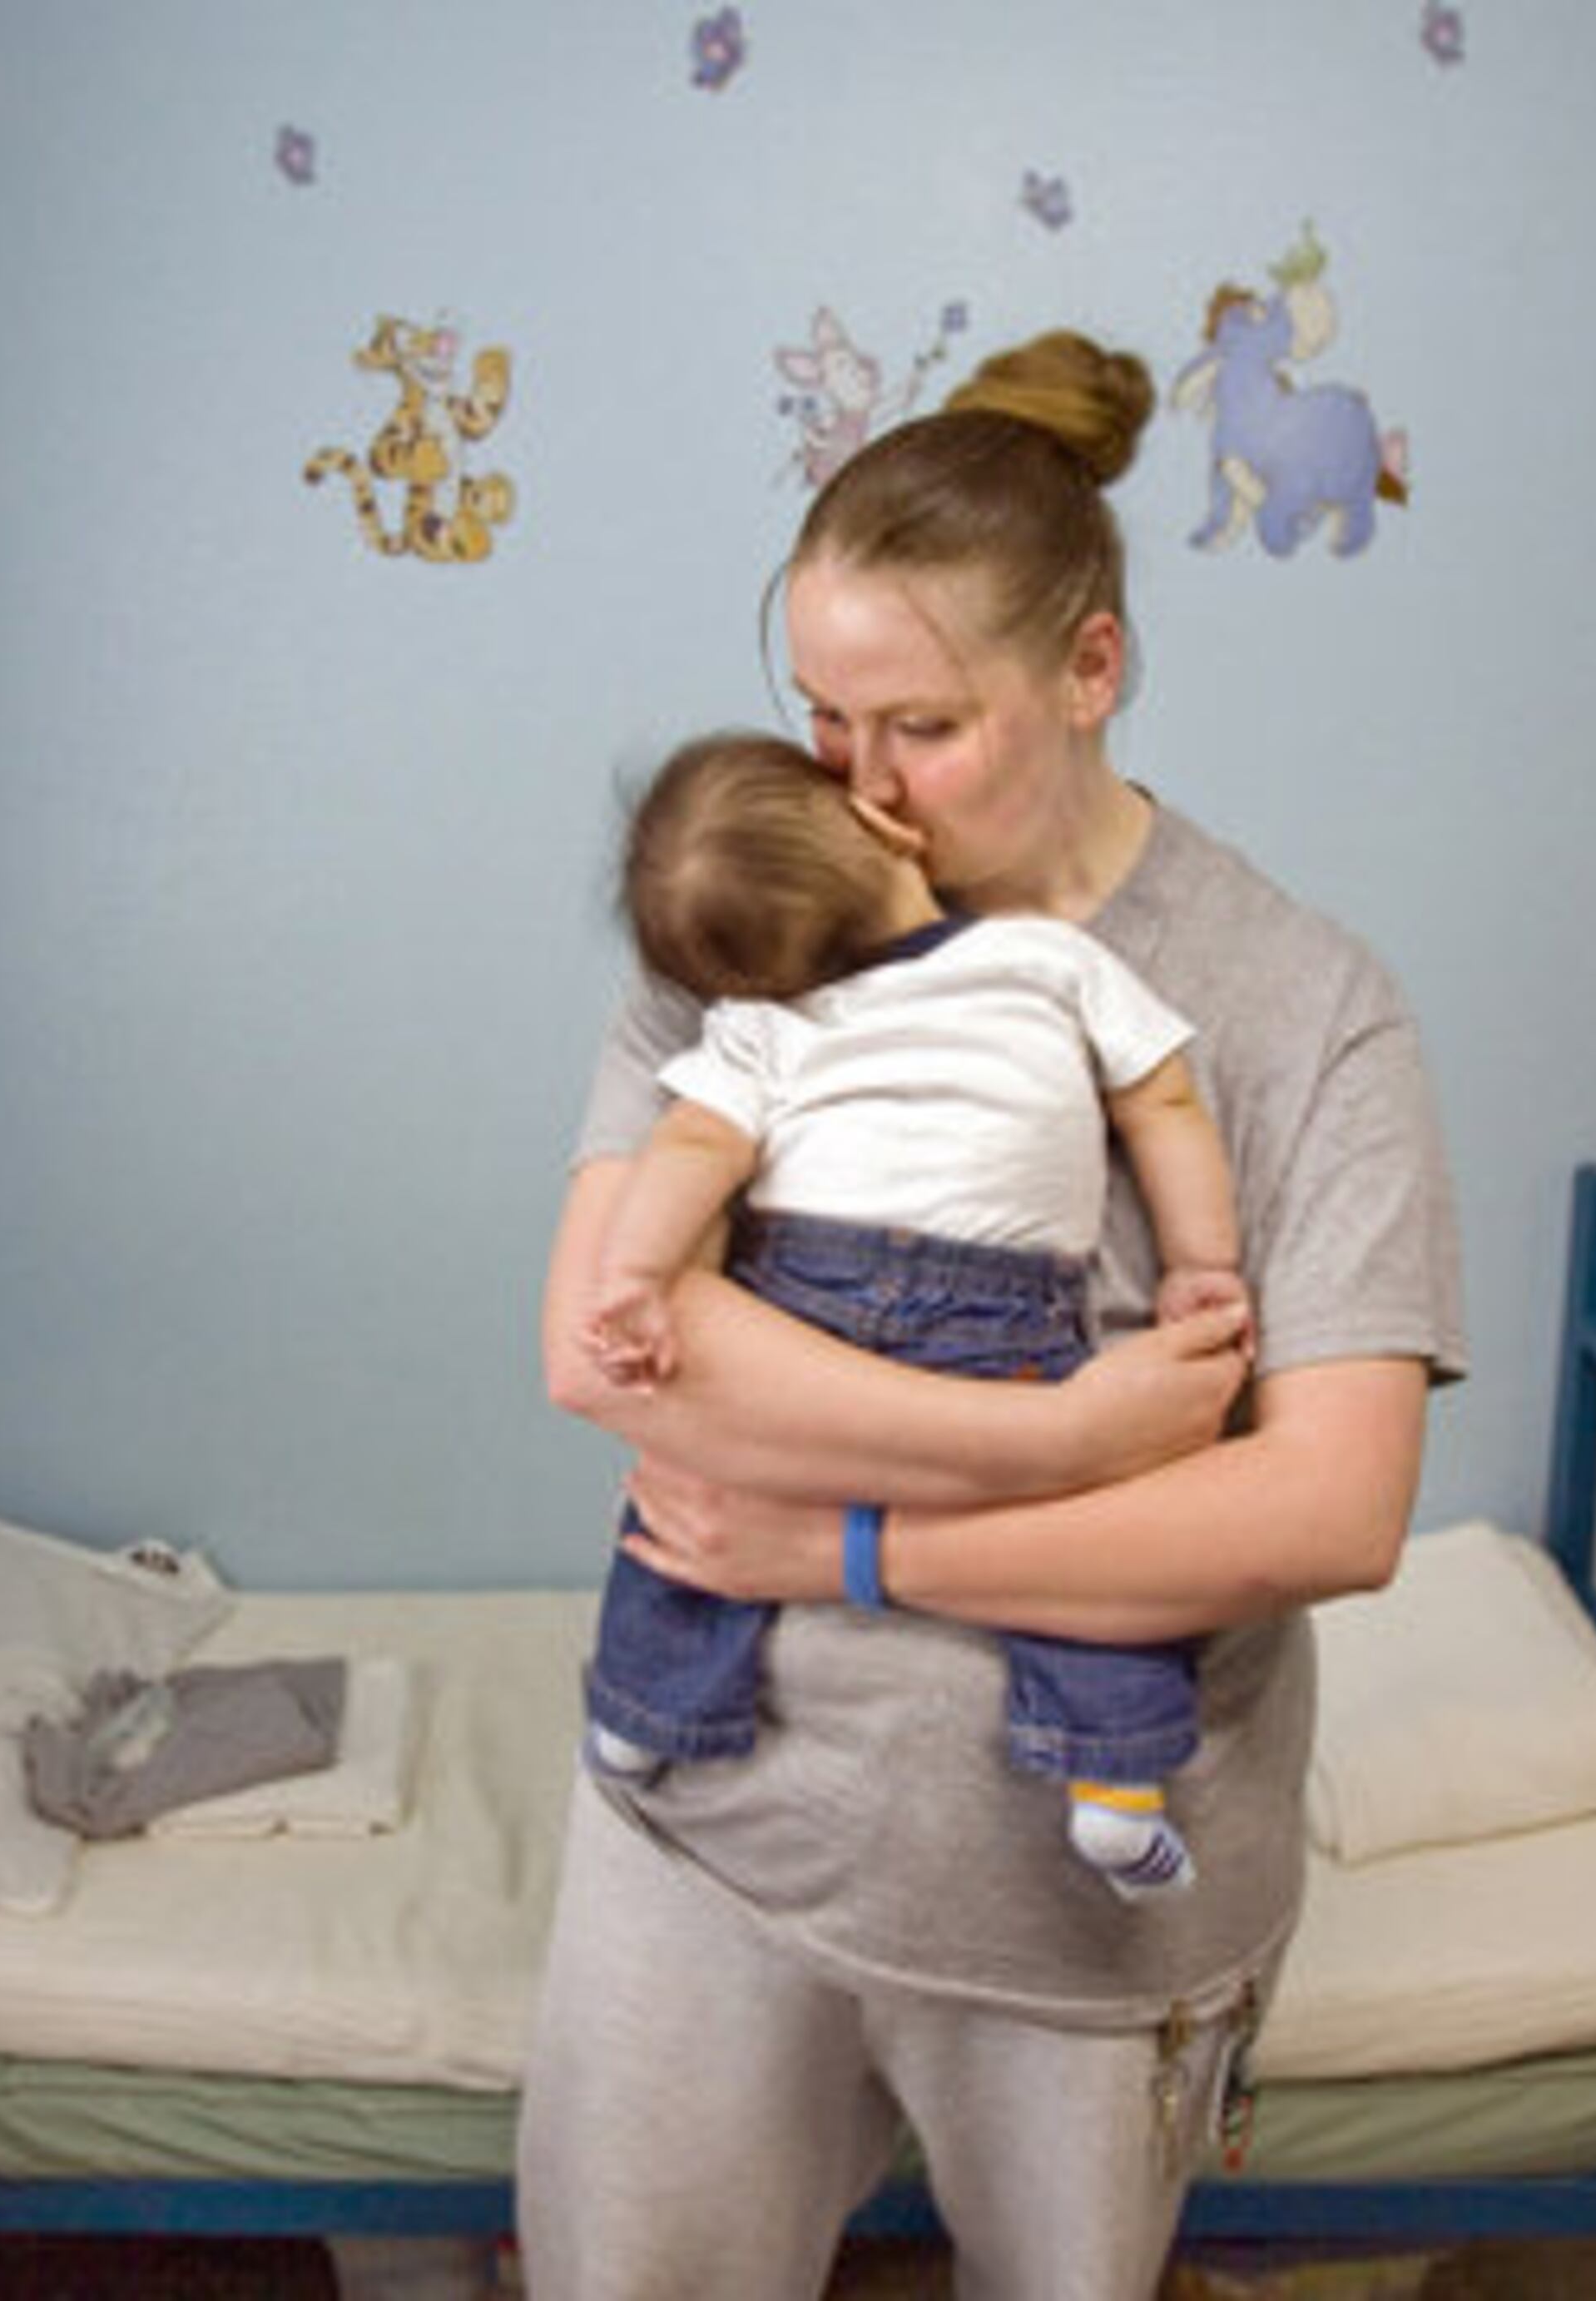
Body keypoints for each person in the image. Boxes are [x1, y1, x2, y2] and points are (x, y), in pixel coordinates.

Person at [522, 328, 1466, 2301]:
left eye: (924, 729)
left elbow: (1324, 1517)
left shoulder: (1298, 1003)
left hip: (1085, 1917)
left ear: (1089, 672)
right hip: (717, 1836)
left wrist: (845, 1542)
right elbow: (613, 1342)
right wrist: (1066, 1439)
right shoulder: (756, 910)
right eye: (819, 719)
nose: (858, 792)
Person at [577, 729, 1252, 1900]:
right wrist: (1202, 1262)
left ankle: (646, 1710)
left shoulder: (767, 1024)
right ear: (881, 827)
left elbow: (693, 1145)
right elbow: (1166, 1100)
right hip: (1008, 1309)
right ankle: (1114, 1783)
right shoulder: (1045, 957)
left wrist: (632, 1277)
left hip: (807, 1288)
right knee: (1080, 1528)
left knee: (707, 1491)